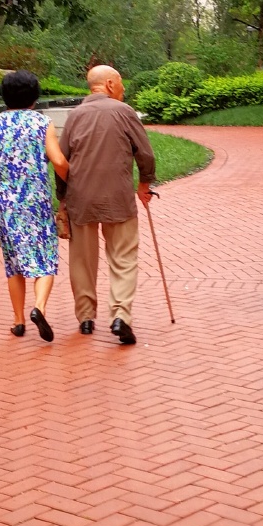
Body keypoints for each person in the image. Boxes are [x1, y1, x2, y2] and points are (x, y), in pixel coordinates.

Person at [57, 64, 156, 345]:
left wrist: (62, 198)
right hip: (118, 198)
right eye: (121, 83)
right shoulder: (124, 112)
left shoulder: (74, 116)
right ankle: (120, 316)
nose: (123, 89)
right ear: (111, 84)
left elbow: (61, 160)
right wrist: (145, 184)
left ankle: (86, 319)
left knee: (82, 261)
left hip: (81, 199)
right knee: (124, 258)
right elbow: (145, 154)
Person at [0, 70, 70, 342]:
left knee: (13, 261)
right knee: (45, 258)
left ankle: (18, 322)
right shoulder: (42, 123)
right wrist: (74, 181)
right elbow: (59, 162)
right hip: (36, 201)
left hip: (5, 203)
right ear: (35, 96)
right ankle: (38, 308)